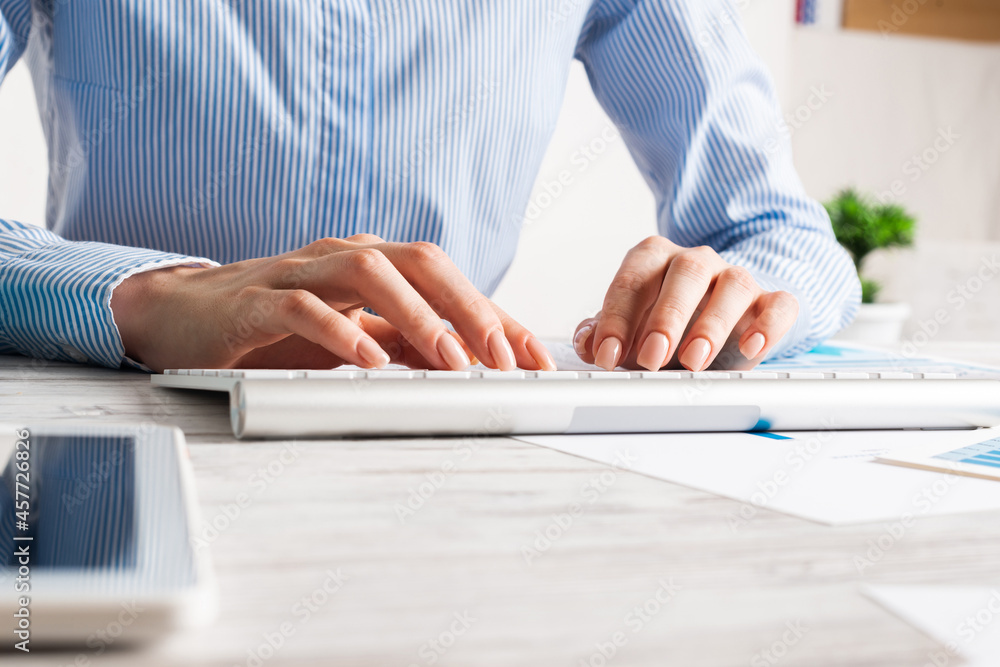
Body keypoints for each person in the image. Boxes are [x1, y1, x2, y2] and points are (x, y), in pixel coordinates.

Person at [0, 0, 859, 374]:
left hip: (446, 434)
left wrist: (733, 305)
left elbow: (780, 234)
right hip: (125, 415)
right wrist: (141, 300)